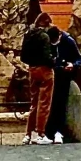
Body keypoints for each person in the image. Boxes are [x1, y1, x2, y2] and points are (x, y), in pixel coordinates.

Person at [21, 10, 57, 144]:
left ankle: (28, 134)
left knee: (33, 103)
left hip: (32, 70)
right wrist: (54, 62)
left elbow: (23, 56)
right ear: (46, 24)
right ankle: (40, 133)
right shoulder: (44, 36)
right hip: (44, 70)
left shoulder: (28, 35)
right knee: (44, 103)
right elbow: (47, 57)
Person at [46, 23, 81, 144]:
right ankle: (48, 133)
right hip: (50, 76)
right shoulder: (48, 41)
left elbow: (79, 59)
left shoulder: (68, 41)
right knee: (48, 105)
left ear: (59, 35)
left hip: (64, 76)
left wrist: (72, 65)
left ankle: (58, 132)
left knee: (60, 104)